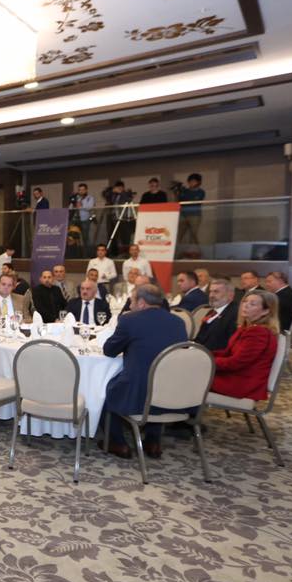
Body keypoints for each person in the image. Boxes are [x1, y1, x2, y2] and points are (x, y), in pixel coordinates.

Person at [102, 284, 188, 459]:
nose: (130, 304)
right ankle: (153, 441)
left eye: (132, 300)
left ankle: (117, 443)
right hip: (172, 391)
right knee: (157, 380)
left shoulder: (129, 320)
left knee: (104, 388)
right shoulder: (178, 322)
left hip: (138, 392)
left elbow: (109, 350)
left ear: (141, 303)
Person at [210, 291, 279, 401]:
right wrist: (203, 354)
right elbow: (228, 352)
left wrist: (206, 360)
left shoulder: (259, 332)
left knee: (191, 374)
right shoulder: (247, 328)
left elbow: (236, 363)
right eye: (245, 301)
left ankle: (188, 408)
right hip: (237, 376)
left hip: (242, 383)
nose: (245, 305)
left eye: (252, 304)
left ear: (265, 311)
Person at [194, 277, 238, 351]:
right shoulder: (211, 312)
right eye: (210, 292)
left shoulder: (235, 314)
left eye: (216, 292)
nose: (211, 295)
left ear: (230, 295)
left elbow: (227, 345)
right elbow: (201, 338)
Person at [107, 181, 136, 256]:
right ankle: (114, 253)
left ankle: (126, 253)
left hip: (123, 218)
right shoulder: (113, 195)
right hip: (114, 218)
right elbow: (105, 194)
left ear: (123, 188)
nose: (118, 189)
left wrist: (121, 193)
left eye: (120, 188)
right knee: (113, 236)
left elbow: (129, 199)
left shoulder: (126, 194)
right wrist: (112, 191)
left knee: (124, 237)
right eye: (117, 188)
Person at [177, 173, 205, 246]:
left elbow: (194, 200)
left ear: (198, 182)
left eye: (193, 181)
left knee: (193, 235)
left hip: (195, 216)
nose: (191, 183)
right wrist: (178, 191)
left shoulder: (201, 192)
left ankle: (193, 251)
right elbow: (179, 201)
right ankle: (178, 251)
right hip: (183, 215)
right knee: (179, 234)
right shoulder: (184, 191)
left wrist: (184, 193)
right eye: (190, 181)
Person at [70, 183, 95, 249]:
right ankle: (76, 251)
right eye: (79, 190)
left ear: (86, 190)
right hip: (75, 220)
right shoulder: (76, 198)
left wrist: (81, 206)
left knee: (85, 238)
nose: (81, 191)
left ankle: (87, 252)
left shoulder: (90, 198)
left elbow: (90, 207)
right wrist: (72, 201)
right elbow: (70, 208)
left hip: (85, 220)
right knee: (74, 237)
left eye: (83, 190)